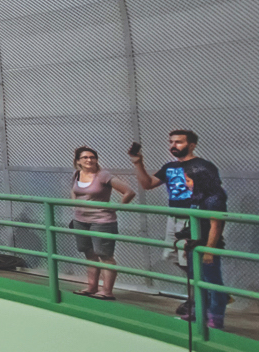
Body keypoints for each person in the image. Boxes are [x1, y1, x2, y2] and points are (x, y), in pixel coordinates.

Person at [129, 130, 229, 327]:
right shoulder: (170, 167)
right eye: (171, 142)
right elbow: (148, 184)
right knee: (176, 257)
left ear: (192, 145)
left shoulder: (203, 167)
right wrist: (138, 162)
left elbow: (214, 195)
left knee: (202, 265)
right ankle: (201, 299)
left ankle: (206, 305)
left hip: (195, 218)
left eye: (179, 142)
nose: (174, 145)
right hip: (176, 217)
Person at [68, 147, 135, 300]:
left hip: (102, 221)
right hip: (81, 220)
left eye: (92, 157)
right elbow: (74, 191)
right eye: (84, 157)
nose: (89, 160)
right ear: (78, 161)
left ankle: (107, 291)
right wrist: (74, 206)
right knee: (89, 254)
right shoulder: (76, 174)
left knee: (105, 255)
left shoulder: (103, 176)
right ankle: (92, 287)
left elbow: (129, 192)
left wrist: (116, 208)